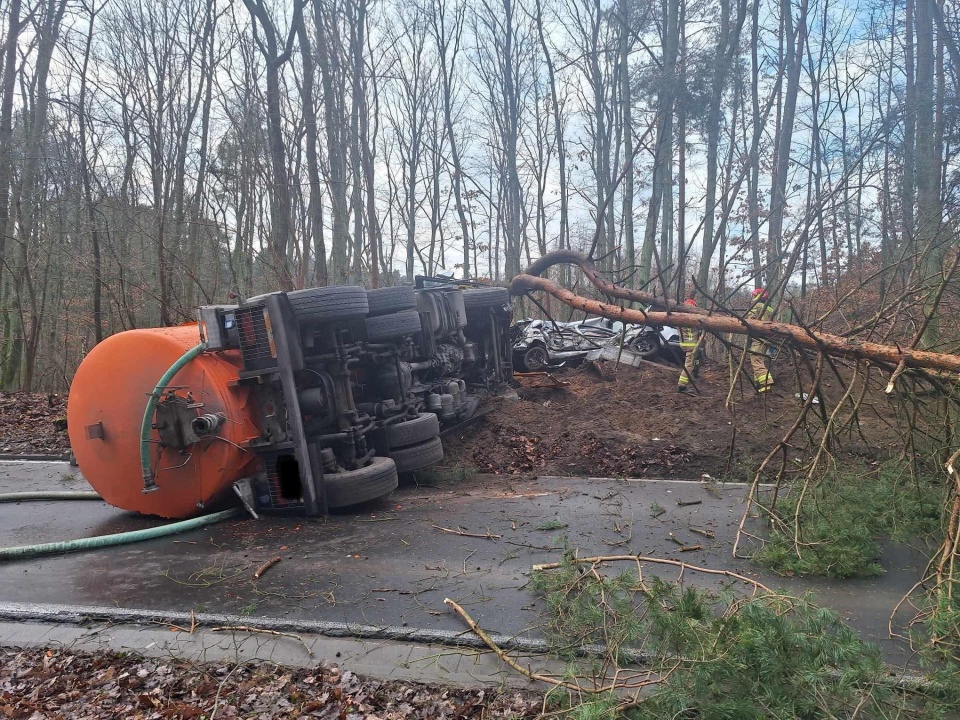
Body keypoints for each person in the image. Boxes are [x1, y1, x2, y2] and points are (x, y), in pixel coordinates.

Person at [747, 288, 775, 393]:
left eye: (754, 296)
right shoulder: (769, 309)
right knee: (760, 359)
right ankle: (758, 383)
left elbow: (750, 320)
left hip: (758, 337)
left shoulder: (756, 306)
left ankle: (766, 383)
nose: (753, 298)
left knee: (756, 359)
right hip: (767, 338)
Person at [677, 298, 701, 394]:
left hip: (685, 343)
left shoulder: (680, 316)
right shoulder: (690, 317)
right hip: (691, 344)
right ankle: (682, 386)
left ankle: (694, 374)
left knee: (698, 359)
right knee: (689, 365)